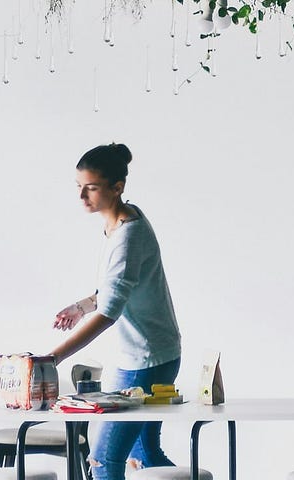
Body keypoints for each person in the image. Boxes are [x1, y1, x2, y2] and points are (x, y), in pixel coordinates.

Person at [47, 143, 184, 480]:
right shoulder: (122, 222)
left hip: (145, 362)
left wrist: (53, 359)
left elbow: (109, 311)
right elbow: (115, 287)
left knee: (103, 461)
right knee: (145, 453)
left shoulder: (127, 235)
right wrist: (81, 307)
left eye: (91, 188)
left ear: (117, 187)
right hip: (156, 354)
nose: (82, 196)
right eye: (78, 187)